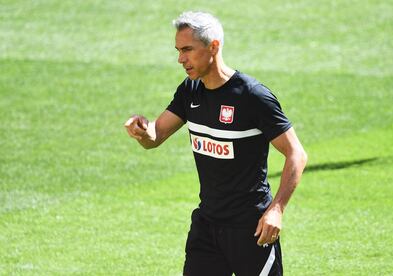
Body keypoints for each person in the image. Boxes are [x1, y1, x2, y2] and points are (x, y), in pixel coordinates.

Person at [124, 11, 307, 276]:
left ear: (214, 46)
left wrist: (276, 209)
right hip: (207, 226)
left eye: (187, 49)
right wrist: (142, 130)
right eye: (178, 50)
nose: (180, 59)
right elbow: (156, 136)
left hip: (251, 229)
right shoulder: (190, 90)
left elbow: (296, 154)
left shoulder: (252, 96)